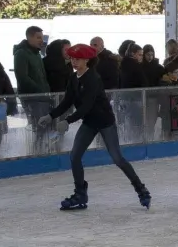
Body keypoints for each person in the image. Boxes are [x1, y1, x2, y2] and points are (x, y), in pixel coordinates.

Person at [38, 44, 150, 210]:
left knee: (117, 158)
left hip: (104, 122)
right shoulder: (74, 78)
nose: (74, 62)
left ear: (87, 60)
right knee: (75, 156)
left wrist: (68, 121)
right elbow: (67, 101)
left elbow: (86, 106)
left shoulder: (93, 78)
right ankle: (80, 193)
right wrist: (51, 116)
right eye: (72, 58)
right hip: (89, 122)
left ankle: (141, 189)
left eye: (78, 59)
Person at [14, 26, 50, 150]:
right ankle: (35, 150)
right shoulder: (21, 54)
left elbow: (42, 75)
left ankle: (40, 148)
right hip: (32, 97)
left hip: (42, 96)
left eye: (42, 37)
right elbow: (22, 76)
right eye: (38, 37)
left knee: (44, 125)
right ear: (29, 38)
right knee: (38, 125)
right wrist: (39, 90)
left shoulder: (36, 53)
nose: (41, 40)